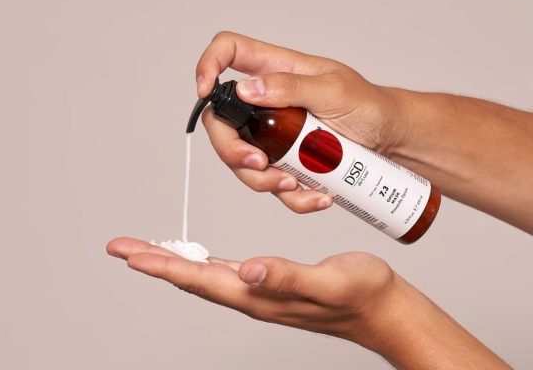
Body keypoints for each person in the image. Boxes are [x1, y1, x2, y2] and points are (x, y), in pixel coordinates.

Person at [107, 31, 533, 369]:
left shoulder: (270, 127)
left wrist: (384, 314)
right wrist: (391, 124)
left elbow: (385, 312)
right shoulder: (266, 126)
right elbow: (379, 125)